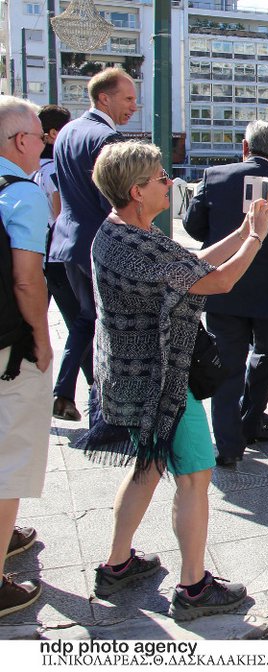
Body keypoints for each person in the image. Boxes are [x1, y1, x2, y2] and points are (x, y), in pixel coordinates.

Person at [82, 140, 268, 620]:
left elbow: (196, 262)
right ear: (135, 190)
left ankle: (117, 564)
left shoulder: (120, 232)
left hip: (133, 375)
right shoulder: (133, 246)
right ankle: (193, 589)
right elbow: (217, 281)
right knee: (195, 477)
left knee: (148, 464)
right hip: (160, 381)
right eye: (160, 178)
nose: (169, 182)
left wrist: (245, 230)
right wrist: (256, 239)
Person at [184, 121, 268, 468]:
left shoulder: (214, 177)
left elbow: (192, 225)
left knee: (227, 363)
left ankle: (228, 444)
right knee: (266, 357)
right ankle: (251, 422)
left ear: (245, 147)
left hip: (224, 286)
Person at [47, 68, 136, 424]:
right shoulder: (108, 139)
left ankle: (64, 390)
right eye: (128, 98)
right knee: (109, 327)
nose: (133, 105)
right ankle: (106, 411)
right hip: (99, 245)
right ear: (104, 98)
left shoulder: (67, 131)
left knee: (86, 321)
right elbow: (113, 199)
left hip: (66, 241)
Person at [0, 96, 53, 618]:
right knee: (9, 460)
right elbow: (26, 277)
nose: (44, 144)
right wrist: (41, 337)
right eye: (39, 136)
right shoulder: (23, 192)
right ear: (20, 141)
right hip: (7, 348)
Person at [32, 105, 90, 421]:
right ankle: (69, 391)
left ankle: (72, 391)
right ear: (54, 134)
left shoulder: (28, 168)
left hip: (37, 255)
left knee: (75, 324)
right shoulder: (54, 170)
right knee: (83, 322)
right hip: (58, 255)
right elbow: (60, 215)